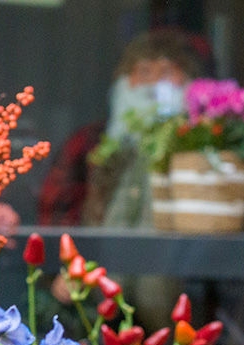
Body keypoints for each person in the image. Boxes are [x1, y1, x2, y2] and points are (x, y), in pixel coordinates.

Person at [37, 28, 207, 227]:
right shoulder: (86, 144)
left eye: (166, 72)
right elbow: (57, 215)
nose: (153, 83)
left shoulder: (205, 142)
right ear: (124, 81)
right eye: (144, 72)